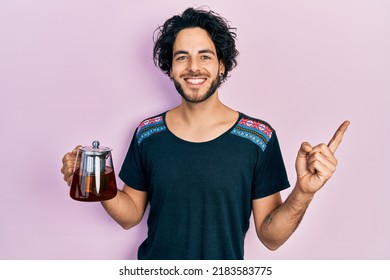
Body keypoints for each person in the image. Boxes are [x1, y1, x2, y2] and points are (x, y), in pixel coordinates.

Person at [61, 7, 349, 260]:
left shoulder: (259, 138)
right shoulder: (147, 133)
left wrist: (304, 192)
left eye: (205, 56)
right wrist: (95, 181)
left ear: (221, 65)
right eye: (182, 57)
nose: (194, 67)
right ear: (170, 68)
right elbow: (130, 216)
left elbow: (270, 237)